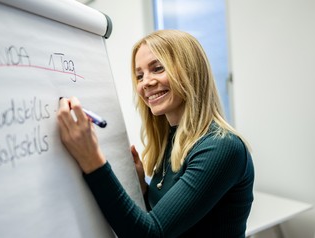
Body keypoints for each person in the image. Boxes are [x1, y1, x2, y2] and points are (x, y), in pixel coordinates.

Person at [57, 30, 254, 238]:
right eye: (139, 76)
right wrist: (142, 188)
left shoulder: (221, 147)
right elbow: (163, 218)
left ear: (191, 70)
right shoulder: (172, 139)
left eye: (158, 68)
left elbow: (150, 234)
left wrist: (92, 161)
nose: (146, 83)